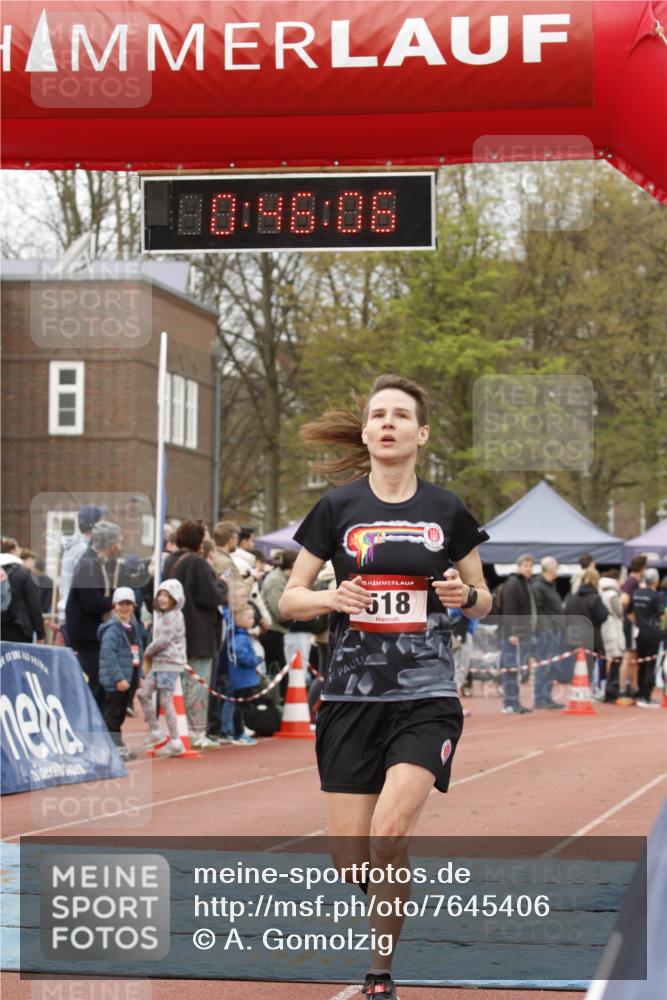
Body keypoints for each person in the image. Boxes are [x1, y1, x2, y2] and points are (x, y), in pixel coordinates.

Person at [279, 373, 491, 999]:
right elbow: (290, 598)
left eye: (402, 415)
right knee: (355, 862)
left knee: (390, 833)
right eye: (379, 415)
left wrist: (463, 593)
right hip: (350, 698)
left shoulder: (446, 510)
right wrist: (327, 597)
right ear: (368, 432)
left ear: (421, 433)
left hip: (425, 697)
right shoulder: (337, 509)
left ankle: (379, 975)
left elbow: (483, 600)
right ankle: (393, 896)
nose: (389, 423)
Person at [164, 520, 226, 750]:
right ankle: (196, 731)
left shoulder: (169, 561)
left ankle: (176, 729)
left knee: (177, 684)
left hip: (174, 632)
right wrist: (222, 586)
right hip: (198, 632)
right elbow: (210, 596)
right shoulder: (197, 563)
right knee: (198, 683)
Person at [65, 520, 122, 709]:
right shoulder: (89, 564)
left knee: (97, 684)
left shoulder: (95, 562)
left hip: (91, 634)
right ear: (111, 544)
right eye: (119, 542)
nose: (120, 546)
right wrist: (117, 601)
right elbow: (91, 603)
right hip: (87, 636)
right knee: (94, 685)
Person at [137, 578, 188, 756]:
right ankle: (155, 731)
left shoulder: (174, 616)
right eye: (160, 594)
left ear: (176, 598)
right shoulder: (164, 616)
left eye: (167, 595)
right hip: (159, 663)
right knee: (143, 694)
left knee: (166, 701)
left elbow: (164, 640)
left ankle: (175, 740)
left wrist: (147, 652)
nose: (162, 598)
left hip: (169, 663)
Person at [98, 586, 144, 760]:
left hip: (129, 678)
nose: (125, 608)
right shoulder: (112, 629)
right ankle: (114, 748)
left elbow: (137, 652)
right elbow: (108, 656)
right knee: (113, 715)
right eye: (121, 604)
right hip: (116, 681)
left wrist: (138, 675)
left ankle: (118, 747)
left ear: (134, 606)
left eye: (128, 604)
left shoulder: (133, 627)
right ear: (114, 605)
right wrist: (118, 678)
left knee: (119, 716)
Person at [57, 504, 107, 642]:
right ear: (95, 525)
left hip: (68, 612)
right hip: (76, 617)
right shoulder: (82, 550)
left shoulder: (73, 546)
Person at [498, 553, 538, 714]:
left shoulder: (525, 584)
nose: (528, 569)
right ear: (519, 566)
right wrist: (513, 633)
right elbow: (510, 610)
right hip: (512, 636)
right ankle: (510, 703)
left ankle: (513, 701)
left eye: (530, 566)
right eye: (525, 566)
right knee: (511, 669)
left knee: (516, 669)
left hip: (522, 634)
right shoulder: (513, 584)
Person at [629, 568, 667, 708]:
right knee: (650, 665)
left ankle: (640, 693)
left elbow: (629, 613)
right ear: (656, 581)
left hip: (640, 632)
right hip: (653, 633)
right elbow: (662, 616)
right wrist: (662, 628)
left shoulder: (636, 593)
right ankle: (646, 696)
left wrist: (638, 623)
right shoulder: (655, 596)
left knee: (642, 664)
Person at [531, 556, 565, 709]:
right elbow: (536, 610)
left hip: (554, 630)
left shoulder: (550, 586)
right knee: (544, 664)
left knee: (551, 665)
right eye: (556, 567)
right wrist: (545, 627)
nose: (557, 570)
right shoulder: (539, 586)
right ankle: (540, 697)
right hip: (546, 632)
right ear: (550, 569)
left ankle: (547, 696)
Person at [564, 567, 608, 681]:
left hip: (573, 637)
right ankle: (586, 693)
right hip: (590, 639)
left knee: (576, 669)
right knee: (589, 670)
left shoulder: (572, 597)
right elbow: (603, 615)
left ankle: (578, 692)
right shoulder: (595, 598)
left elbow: (565, 615)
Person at [0, 538, 46, 644]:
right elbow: (34, 604)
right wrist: (40, 634)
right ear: (13, 550)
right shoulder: (24, 573)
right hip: (20, 629)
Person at [619, 555, 647, 701]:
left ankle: (633, 686)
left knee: (634, 656)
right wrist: (631, 617)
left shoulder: (635, 582)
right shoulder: (632, 582)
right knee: (628, 655)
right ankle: (623, 688)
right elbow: (623, 600)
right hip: (630, 623)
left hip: (632, 623)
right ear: (643, 567)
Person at [599, 569, 626, 703]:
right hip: (613, 628)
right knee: (616, 657)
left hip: (605, 627)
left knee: (607, 658)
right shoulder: (613, 594)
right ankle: (611, 690)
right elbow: (620, 611)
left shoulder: (601, 591)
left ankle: (604, 688)